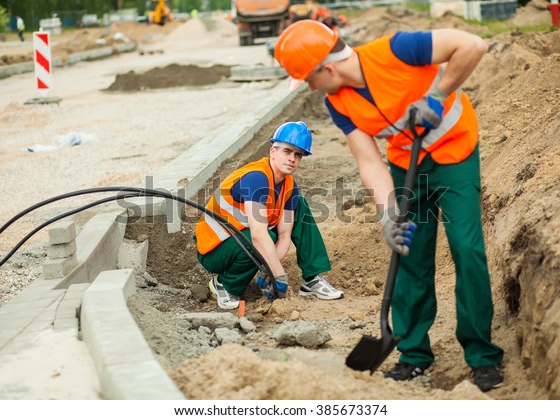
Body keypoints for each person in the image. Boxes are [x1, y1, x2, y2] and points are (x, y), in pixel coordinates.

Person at [274, 21, 504, 392]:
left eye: (310, 79)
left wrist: (437, 94)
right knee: (408, 251)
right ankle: (413, 355)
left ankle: (482, 357)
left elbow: (473, 44)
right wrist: (387, 215)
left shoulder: (397, 49)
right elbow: (368, 161)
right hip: (407, 164)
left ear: (327, 68)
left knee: (466, 248)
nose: (311, 87)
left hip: (455, 155)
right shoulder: (337, 103)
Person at [194, 121, 344, 310]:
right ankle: (224, 284)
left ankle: (312, 279)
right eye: (287, 152)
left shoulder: (289, 185)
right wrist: (278, 274)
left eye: (298, 155)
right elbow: (258, 235)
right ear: (273, 151)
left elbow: (284, 236)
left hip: (239, 238)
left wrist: (271, 270)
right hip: (214, 249)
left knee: (300, 205)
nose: (292, 159)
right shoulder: (256, 178)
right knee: (262, 238)